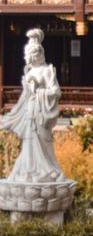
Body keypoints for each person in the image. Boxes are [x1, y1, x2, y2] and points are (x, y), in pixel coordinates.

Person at [1, 28, 64, 183]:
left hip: (41, 111)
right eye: (26, 54)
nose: (26, 57)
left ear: (38, 54)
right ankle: (28, 170)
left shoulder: (46, 70)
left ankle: (47, 170)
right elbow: (26, 95)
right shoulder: (29, 72)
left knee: (42, 140)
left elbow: (56, 92)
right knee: (29, 141)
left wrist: (40, 91)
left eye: (29, 54)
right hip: (30, 109)